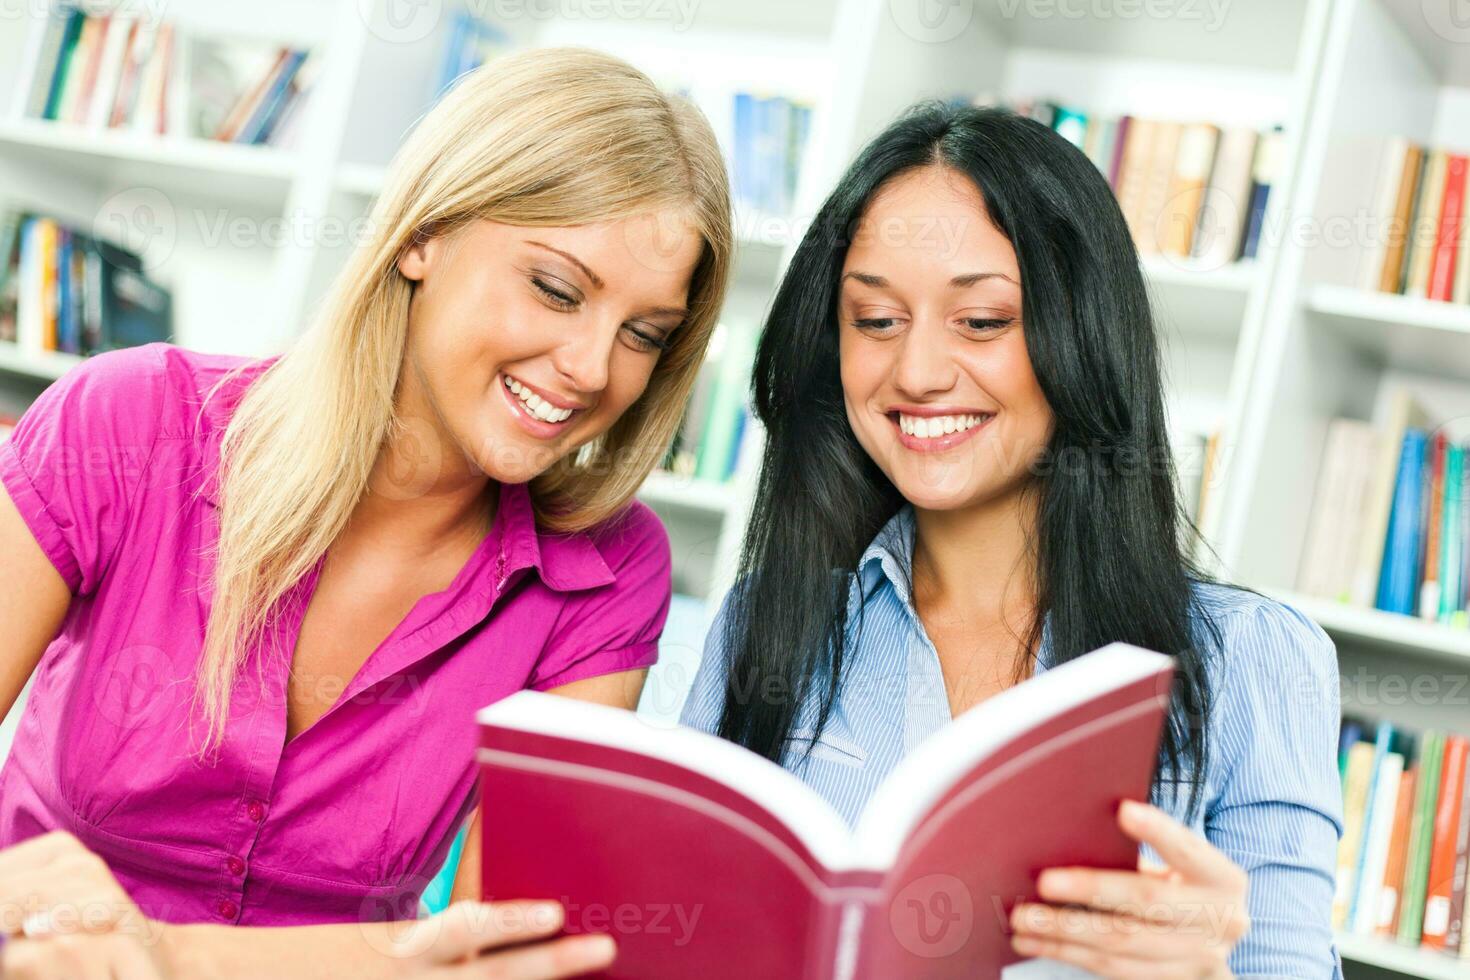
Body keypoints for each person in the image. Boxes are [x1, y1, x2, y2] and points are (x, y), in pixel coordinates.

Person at [0, 46, 731, 977]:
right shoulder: (130, 425)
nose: (592, 369)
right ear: (422, 236)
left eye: (644, 335)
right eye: (555, 288)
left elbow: (498, 956)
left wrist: (171, 958)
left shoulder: (609, 573)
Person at [681, 103, 1344, 979]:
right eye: (876, 322)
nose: (916, 373)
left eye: (983, 321)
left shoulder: (1254, 661)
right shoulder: (767, 621)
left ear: (1079, 337)